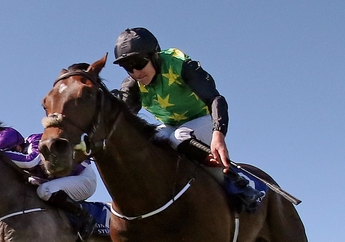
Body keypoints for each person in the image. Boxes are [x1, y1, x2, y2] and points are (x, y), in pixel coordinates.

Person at [112, 27, 264, 212]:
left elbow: (216, 99)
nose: (136, 72)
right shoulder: (132, 85)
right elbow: (121, 120)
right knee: (151, 140)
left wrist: (218, 135)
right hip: (171, 125)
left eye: (138, 62)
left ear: (155, 56)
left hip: (206, 119)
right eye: (128, 67)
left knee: (179, 137)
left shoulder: (179, 65)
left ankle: (238, 182)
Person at [0, 127, 97, 238]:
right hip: (63, 179)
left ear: (17, 146)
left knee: (44, 191)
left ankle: (85, 217)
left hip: (84, 178)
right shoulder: (22, 149)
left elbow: (30, 161)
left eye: (13, 151)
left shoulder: (36, 140)